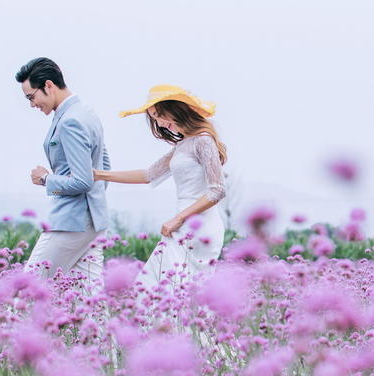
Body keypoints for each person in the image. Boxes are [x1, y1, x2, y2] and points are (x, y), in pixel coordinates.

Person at [94, 84, 226, 292]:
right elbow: (148, 175)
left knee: (169, 290)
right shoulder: (183, 145)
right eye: (154, 118)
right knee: (157, 288)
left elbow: (217, 190)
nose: (160, 123)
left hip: (200, 227)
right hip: (181, 225)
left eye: (159, 115)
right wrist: (99, 174)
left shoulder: (203, 140)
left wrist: (179, 218)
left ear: (175, 109)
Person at [15, 57, 111, 289]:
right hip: (94, 220)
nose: (32, 104)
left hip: (71, 221)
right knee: (89, 302)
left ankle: (4, 327)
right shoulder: (87, 113)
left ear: (48, 85)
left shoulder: (70, 121)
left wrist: (46, 179)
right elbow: (104, 167)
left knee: (27, 290)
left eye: (31, 97)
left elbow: (83, 180)